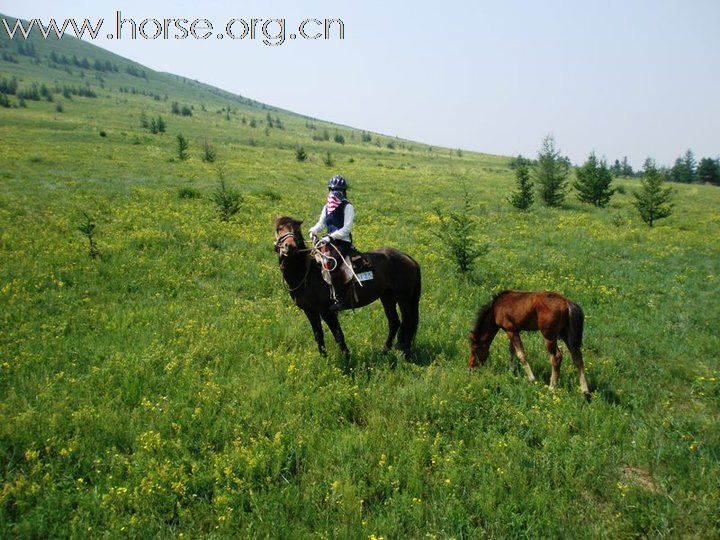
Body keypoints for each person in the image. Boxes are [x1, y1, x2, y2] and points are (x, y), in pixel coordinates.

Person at [309, 175, 355, 311]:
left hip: (342, 242)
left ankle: (341, 300)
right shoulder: (327, 207)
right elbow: (321, 223)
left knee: (332, 265)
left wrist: (330, 237)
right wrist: (313, 231)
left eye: (338, 190)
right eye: (332, 190)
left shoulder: (348, 207)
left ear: (344, 191)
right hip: (328, 240)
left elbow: (346, 229)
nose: (335, 193)